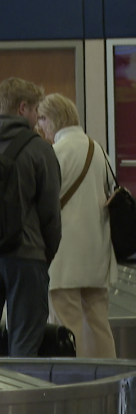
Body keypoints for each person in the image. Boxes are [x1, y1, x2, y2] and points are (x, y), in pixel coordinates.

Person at [36, 94, 118, 358]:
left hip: (65, 258)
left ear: (52, 119)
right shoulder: (98, 150)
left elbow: (45, 203)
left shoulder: (56, 153)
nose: (40, 126)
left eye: (41, 119)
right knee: (99, 324)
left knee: (68, 326)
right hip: (97, 254)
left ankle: (77, 383)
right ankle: (110, 380)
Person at [0, 78, 60, 357]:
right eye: (36, 109)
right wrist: (46, 253)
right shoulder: (39, 149)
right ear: (23, 108)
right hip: (26, 255)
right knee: (24, 342)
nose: (37, 117)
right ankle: (17, 401)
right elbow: (50, 214)